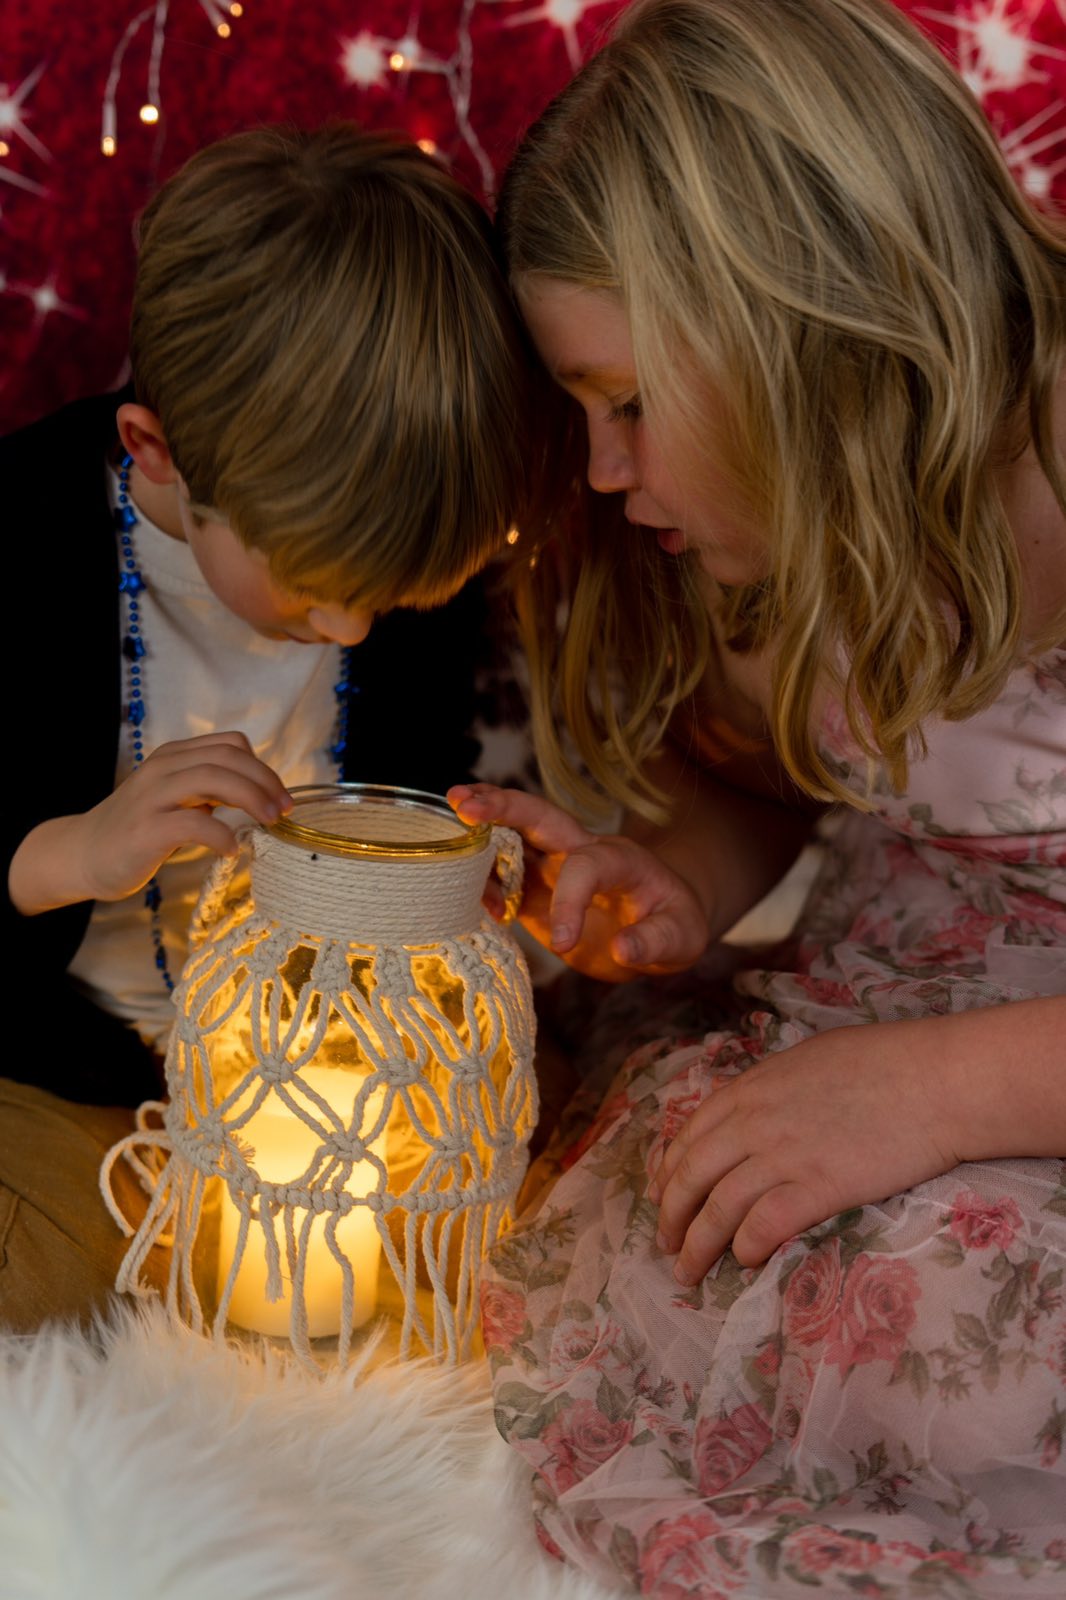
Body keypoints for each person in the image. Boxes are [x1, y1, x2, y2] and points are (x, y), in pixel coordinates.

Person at [447, 0, 1066, 1592]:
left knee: (948, 1332)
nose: (602, 475)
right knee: (676, 1190)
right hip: (900, 970)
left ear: (808, 334)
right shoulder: (808, 530)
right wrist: (682, 877)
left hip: (1022, 1055)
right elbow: (769, 773)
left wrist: (930, 1096)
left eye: (628, 404)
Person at [0, 123, 533, 1331]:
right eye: (312, 588)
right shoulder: (21, 539)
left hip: (321, 1072)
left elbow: (421, 778)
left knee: (496, 1246)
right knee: (44, 1275)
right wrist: (79, 851)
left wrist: (455, 878)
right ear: (158, 452)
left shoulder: (403, 556)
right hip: (58, 1064)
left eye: (392, 598)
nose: (349, 629)